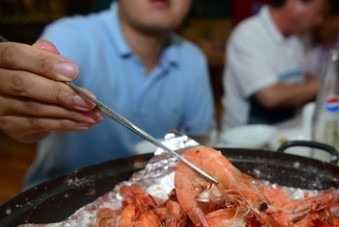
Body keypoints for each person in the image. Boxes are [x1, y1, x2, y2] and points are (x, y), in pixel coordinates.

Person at [0, 0, 215, 188]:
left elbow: (199, 143)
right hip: (62, 198)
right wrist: (25, 107)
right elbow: (37, 81)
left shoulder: (192, 59)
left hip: (158, 195)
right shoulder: (73, 35)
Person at [222, 0, 324, 129]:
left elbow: (302, 78)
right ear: (295, 4)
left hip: (283, 130)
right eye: (317, 12)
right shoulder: (249, 34)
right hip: (246, 139)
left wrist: (311, 83)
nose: (319, 21)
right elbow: (270, 96)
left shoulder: (297, 39)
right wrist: (322, 85)